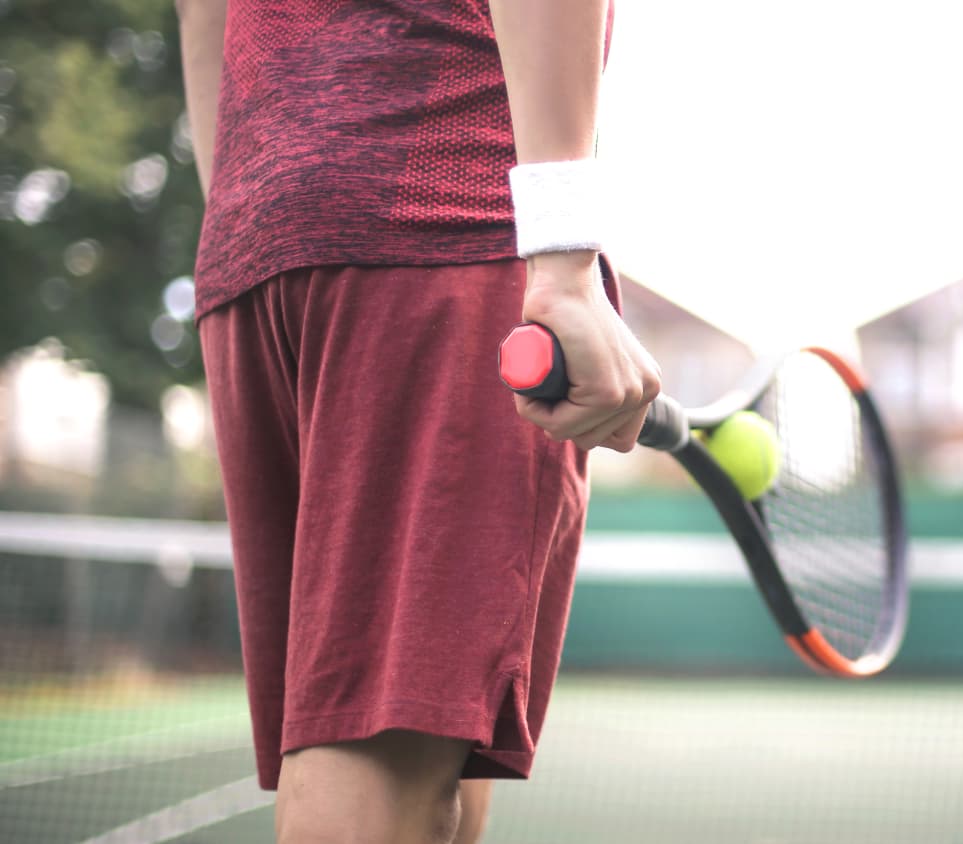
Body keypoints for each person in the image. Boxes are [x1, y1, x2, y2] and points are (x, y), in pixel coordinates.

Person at [174, 0, 659, 840]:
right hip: (433, 222)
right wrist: (564, 260)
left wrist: (268, 212)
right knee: (374, 754)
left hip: (254, 249)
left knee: (426, 748)